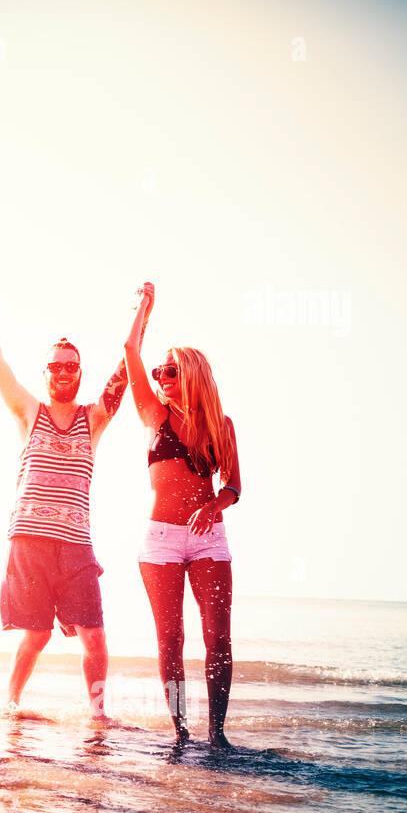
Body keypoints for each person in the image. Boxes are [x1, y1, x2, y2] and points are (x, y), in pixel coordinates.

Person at [0, 264, 148, 717]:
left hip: (76, 546)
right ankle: (10, 703)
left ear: (79, 372)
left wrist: (142, 313)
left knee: (95, 636)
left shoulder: (94, 418)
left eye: (71, 366)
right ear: (46, 372)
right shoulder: (29, 413)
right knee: (38, 634)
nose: (63, 371)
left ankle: (98, 713)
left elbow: (125, 367)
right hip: (29, 541)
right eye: (56, 365)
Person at [123, 286, 240, 748]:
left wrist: (213, 506)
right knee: (171, 642)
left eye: (169, 371)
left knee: (218, 640)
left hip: (209, 539)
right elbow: (130, 349)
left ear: (190, 373)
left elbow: (233, 485)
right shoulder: (154, 414)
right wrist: (143, 309)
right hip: (160, 542)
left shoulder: (221, 425)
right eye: (158, 372)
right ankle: (181, 734)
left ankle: (217, 736)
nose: (160, 377)